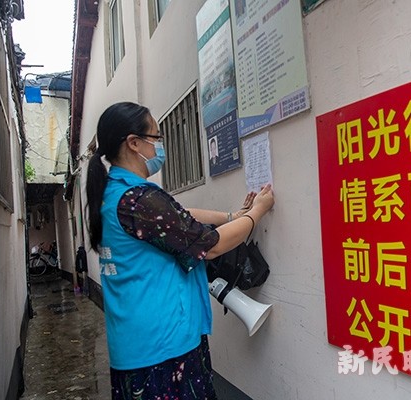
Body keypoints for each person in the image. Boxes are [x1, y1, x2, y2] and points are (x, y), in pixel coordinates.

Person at [85, 102, 274, 399]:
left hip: (136, 343)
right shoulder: (137, 199)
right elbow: (212, 246)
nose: (160, 146)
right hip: (163, 347)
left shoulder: (116, 193)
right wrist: (257, 212)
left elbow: (178, 216)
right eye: (156, 138)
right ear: (134, 143)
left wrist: (231, 217)